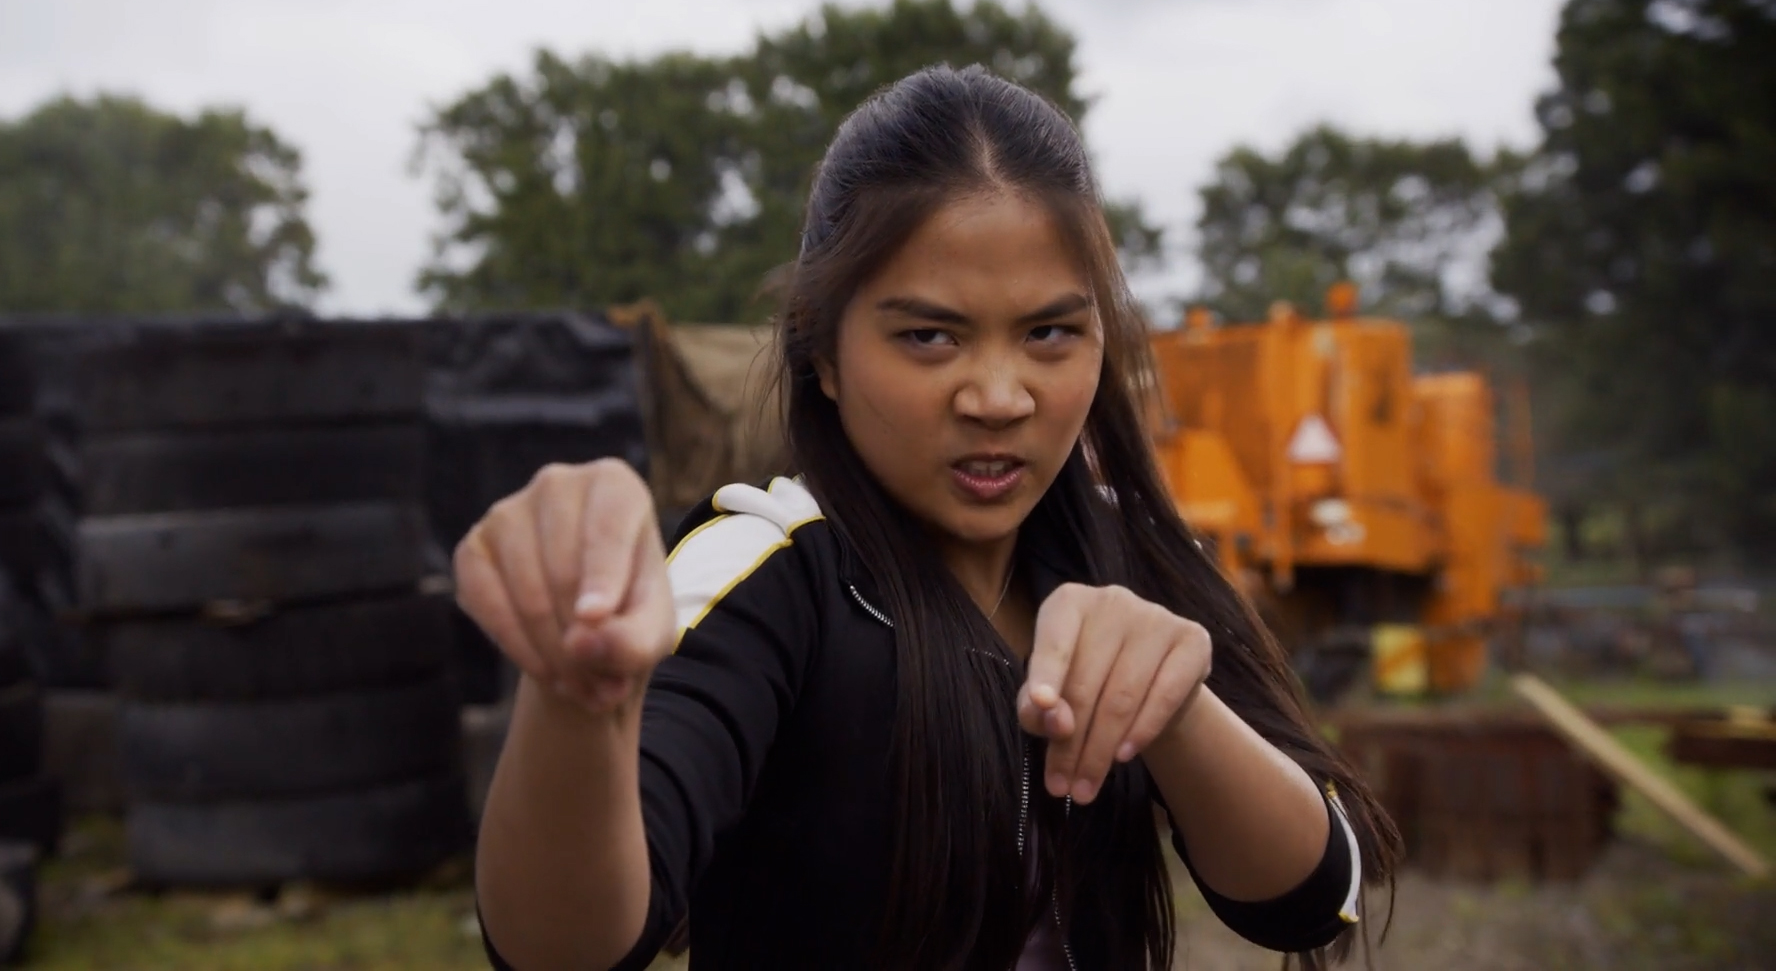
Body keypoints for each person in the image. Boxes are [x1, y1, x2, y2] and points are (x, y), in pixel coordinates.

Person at [456, 65, 1398, 971]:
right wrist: (578, 700)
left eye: (1050, 334)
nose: (998, 396)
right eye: (930, 336)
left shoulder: (1133, 558)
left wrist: (1178, 708)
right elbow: (564, 949)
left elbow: (1317, 894)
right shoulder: (764, 569)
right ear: (823, 352)